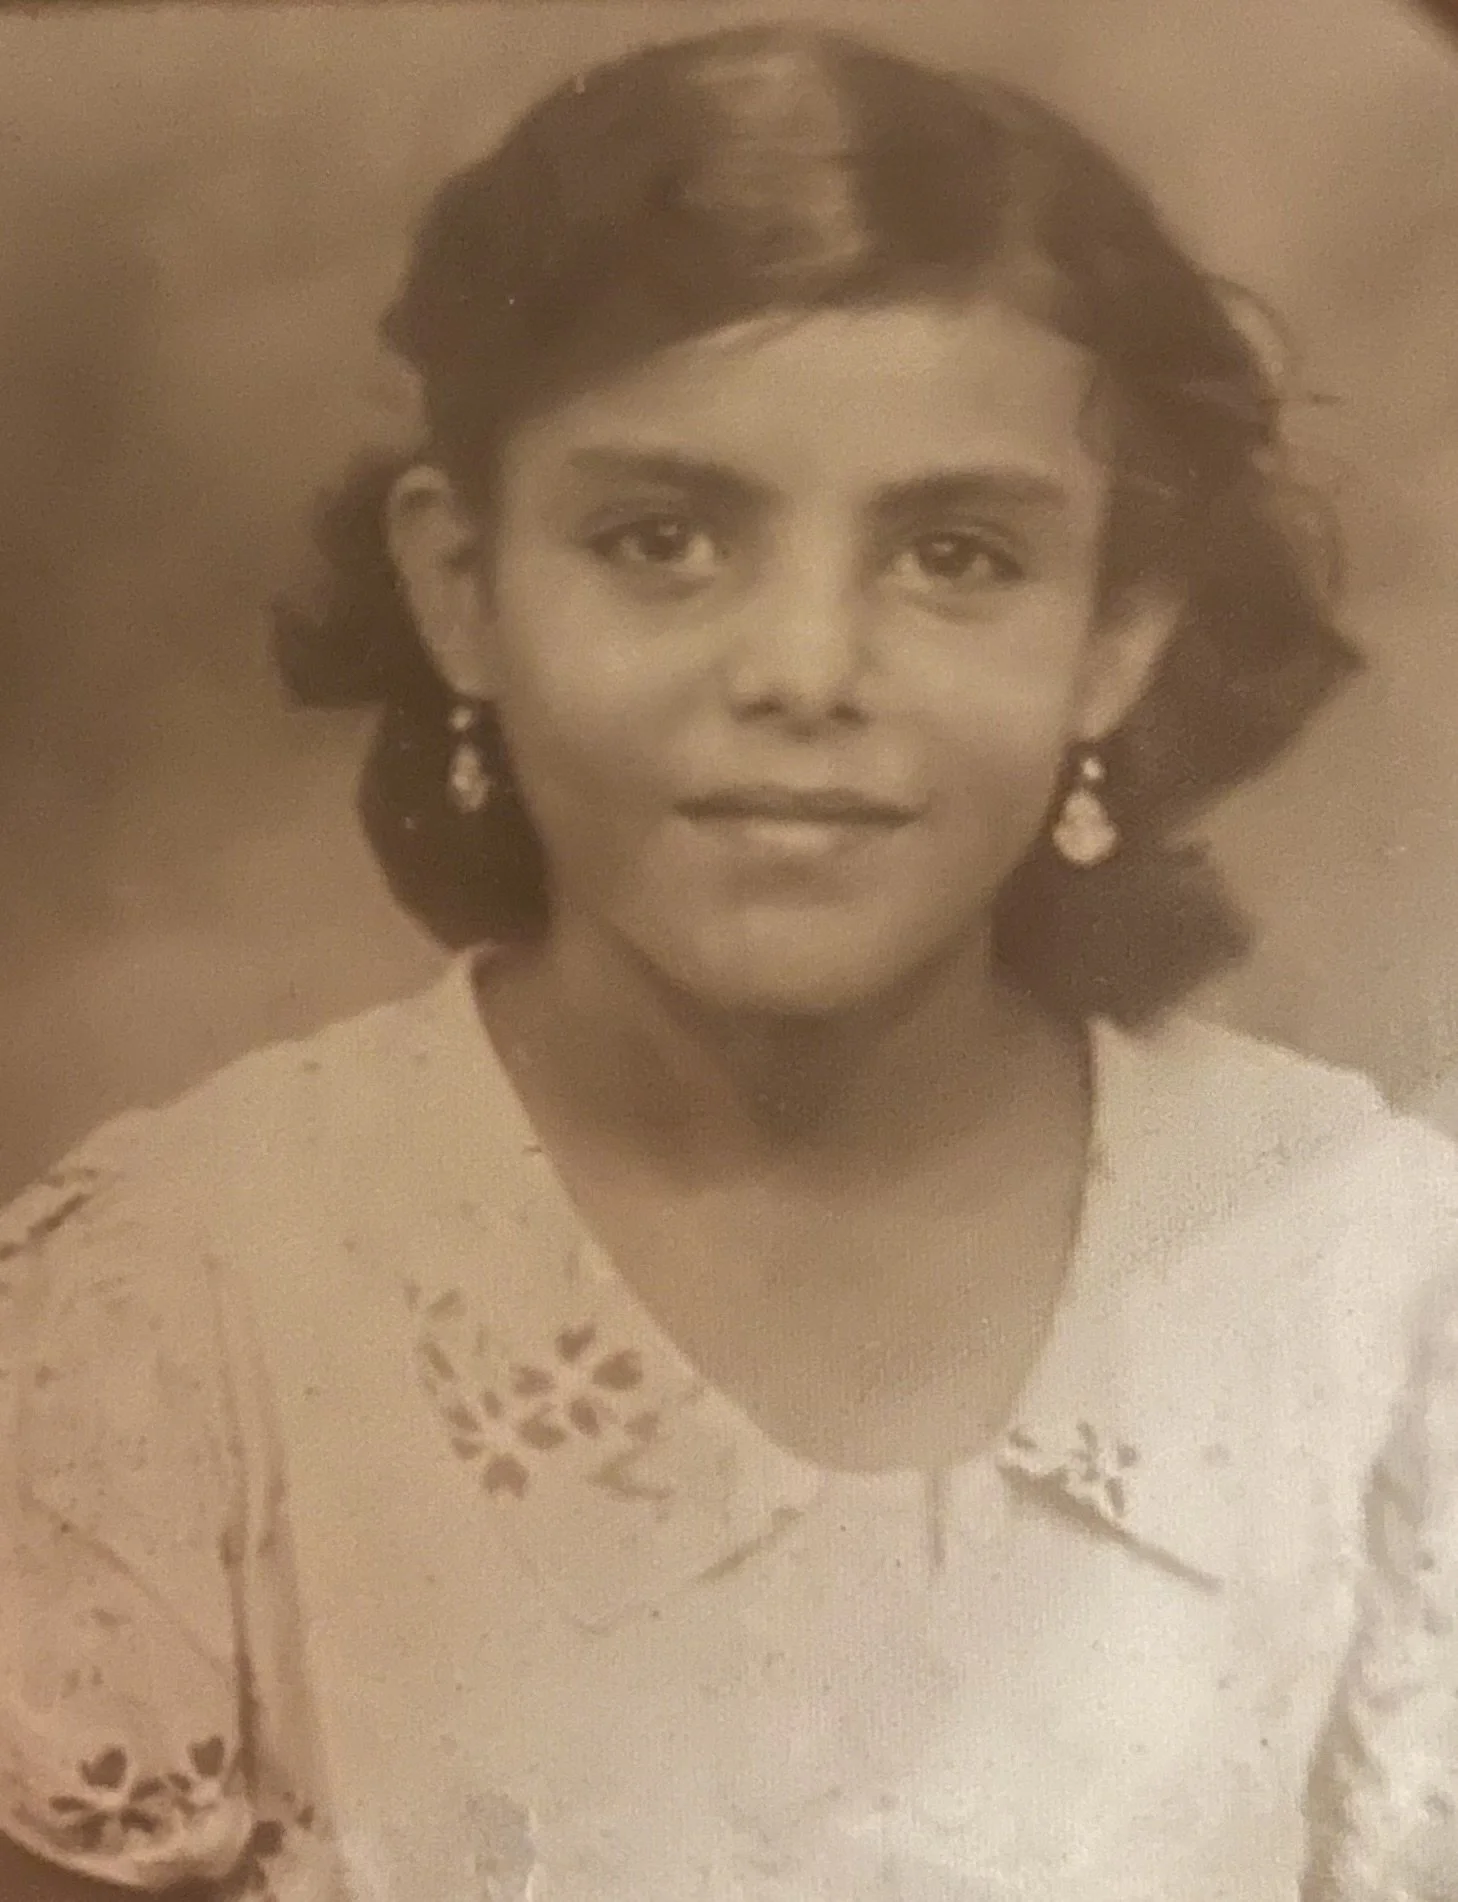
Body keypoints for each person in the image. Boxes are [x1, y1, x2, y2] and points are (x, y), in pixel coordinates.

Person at [2, 21, 1456, 1900]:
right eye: (663, 538)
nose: (803, 670)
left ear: (1113, 636)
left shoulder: (1371, 1280)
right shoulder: (178, 1309)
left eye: (951, 553)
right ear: (465, 589)